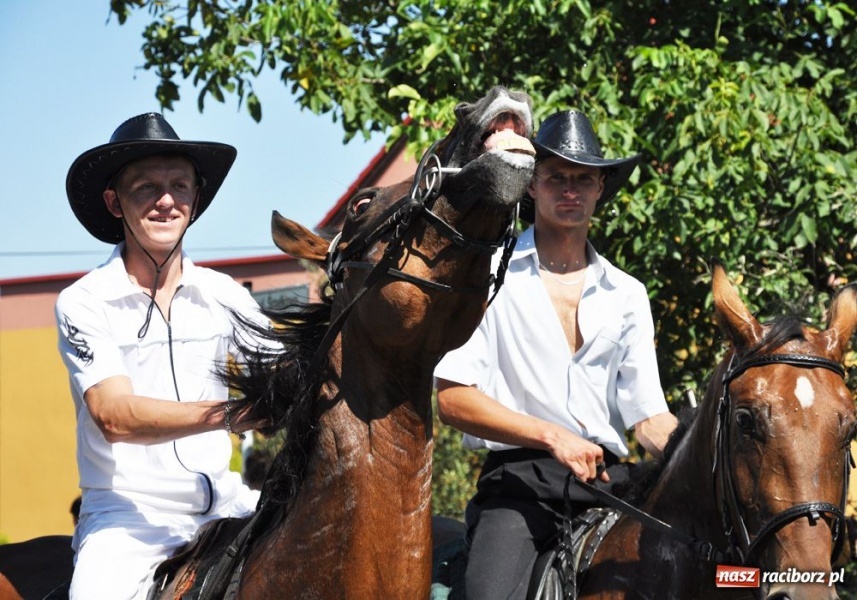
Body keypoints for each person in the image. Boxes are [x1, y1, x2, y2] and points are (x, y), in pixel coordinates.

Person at [434, 109, 678, 599]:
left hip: (607, 484)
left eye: (583, 179)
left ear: (600, 188)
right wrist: (552, 436)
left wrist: (709, 458)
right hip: (518, 489)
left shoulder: (627, 293)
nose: (570, 190)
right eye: (556, 178)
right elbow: (453, 400)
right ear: (531, 187)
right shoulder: (486, 273)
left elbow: (648, 419)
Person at [57, 113, 272, 600]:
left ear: (196, 200)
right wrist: (234, 414)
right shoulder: (83, 300)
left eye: (180, 186)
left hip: (229, 505)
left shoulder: (228, 295)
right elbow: (115, 417)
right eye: (146, 188)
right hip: (127, 523)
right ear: (114, 202)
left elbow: (285, 373)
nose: (166, 200)